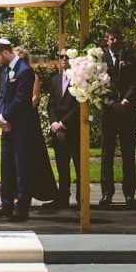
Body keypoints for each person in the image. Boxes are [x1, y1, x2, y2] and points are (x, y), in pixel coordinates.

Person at [0, 39, 36, 221]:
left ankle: (22, 208)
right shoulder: (6, 70)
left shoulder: (25, 71)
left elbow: (21, 100)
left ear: (5, 53)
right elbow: (2, 95)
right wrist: (0, 116)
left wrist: (5, 116)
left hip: (21, 126)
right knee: (5, 165)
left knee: (21, 167)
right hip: (7, 126)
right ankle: (6, 204)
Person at [11, 46, 59, 205]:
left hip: (28, 121)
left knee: (32, 157)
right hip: (13, 120)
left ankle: (32, 191)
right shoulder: (10, 75)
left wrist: (19, 111)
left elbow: (35, 98)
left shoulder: (33, 76)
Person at [99, 26, 136, 207]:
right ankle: (107, 193)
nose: (115, 41)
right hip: (109, 112)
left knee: (128, 154)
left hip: (127, 112)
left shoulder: (131, 58)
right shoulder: (100, 59)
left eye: (117, 38)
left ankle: (129, 194)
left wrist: (125, 102)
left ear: (121, 39)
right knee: (107, 153)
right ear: (106, 41)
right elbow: (97, 83)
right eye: (111, 38)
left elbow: (135, 82)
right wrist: (110, 103)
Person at [45, 48, 81, 209]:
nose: (64, 59)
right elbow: (51, 104)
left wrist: (63, 124)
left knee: (79, 165)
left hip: (74, 129)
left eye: (67, 56)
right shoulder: (55, 80)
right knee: (62, 165)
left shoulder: (80, 80)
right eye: (61, 56)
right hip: (57, 130)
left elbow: (78, 106)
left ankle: (82, 198)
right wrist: (54, 123)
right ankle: (63, 197)